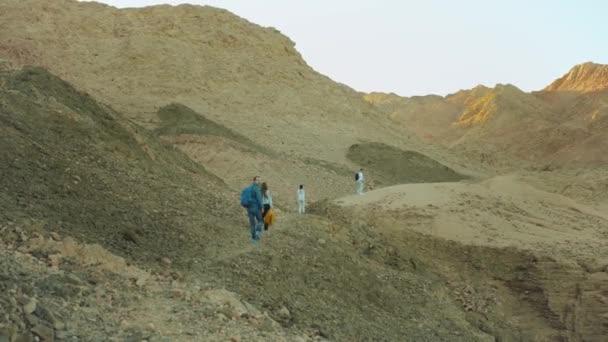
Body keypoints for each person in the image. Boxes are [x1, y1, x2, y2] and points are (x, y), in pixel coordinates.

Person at [246, 176, 264, 242]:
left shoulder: (249, 188)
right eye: (258, 180)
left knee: (252, 224)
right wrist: (262, 207)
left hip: (249, 208)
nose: (259, 182)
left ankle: (253, 239)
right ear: (254, 181)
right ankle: (257, 233)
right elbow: (259, 199)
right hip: (256, 207)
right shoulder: (257, 189)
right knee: (261, 221)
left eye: (260, 180)